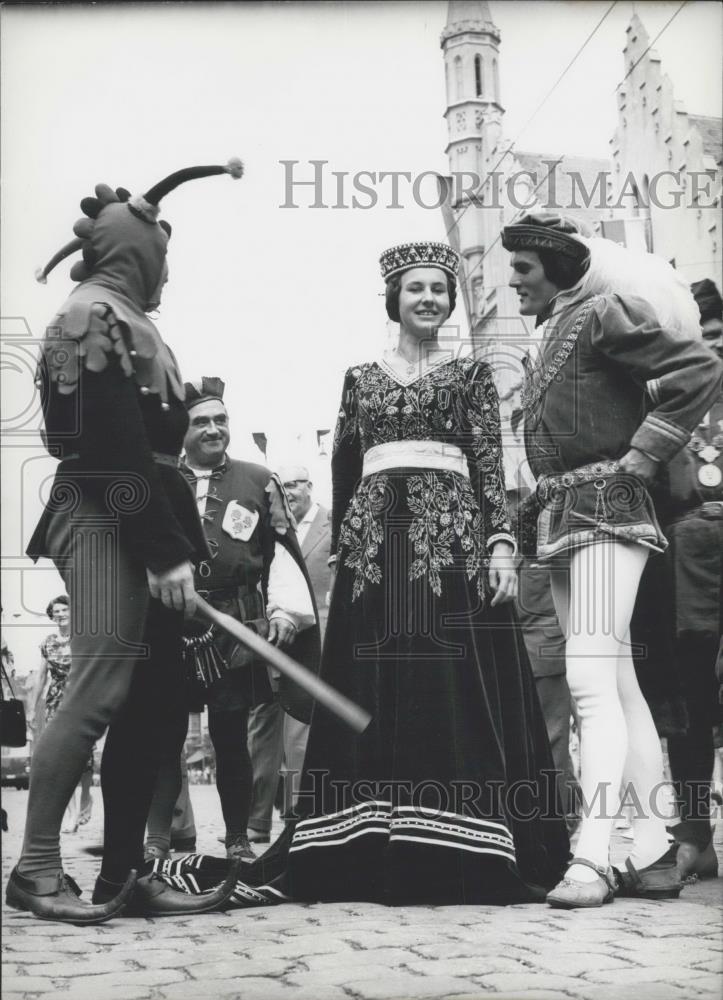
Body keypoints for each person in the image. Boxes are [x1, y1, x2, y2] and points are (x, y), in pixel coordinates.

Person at [153, 240, 570, 907]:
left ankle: (458, 833)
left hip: (449, 546)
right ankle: (365, 833)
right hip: (374, 556)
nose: (429, 298)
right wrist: (346, 551)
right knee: (378, 686)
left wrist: (498, 542)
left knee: (446, 682)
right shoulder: (359, 378)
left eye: (440, 288)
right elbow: (345, 471)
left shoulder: (469, 376)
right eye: (416, 289)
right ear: (394, 299)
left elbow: (489, 465)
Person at [6, 161, 245, 923]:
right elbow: (106, 446)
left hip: (145, 520)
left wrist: (169, 540)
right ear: (135, 254)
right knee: (101, 689)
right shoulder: (86, 314)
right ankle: (36, 869)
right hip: (108, 515)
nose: (167, 274)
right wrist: (162, 548)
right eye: (160, 259)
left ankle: (123, 874)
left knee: (154, 704)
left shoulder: (130, 318)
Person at [502, 212, 723, 908]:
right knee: (617, 682)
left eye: (523, 268)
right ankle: (656, 848)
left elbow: (696, 368)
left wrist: (642, 454)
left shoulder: (602, 311)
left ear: (559, 268)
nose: (512, 281)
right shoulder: (554, 334)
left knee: (589, 680)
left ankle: (592, 856)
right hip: (569, 515)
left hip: (609, 511)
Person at [144, 380, 319, 863]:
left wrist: (284, 610)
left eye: (221, 420)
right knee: (166, 733)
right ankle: (158, 836)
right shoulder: (157, 477)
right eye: (202, 421)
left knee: (230, 734)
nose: (214, 429)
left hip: (234, 627)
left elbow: (282, 552)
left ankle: (238, 838)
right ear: (182, 428)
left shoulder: (259, 480)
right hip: (170, 624)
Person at [657, 278, 723, 880]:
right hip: (685, 562)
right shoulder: (667, 392)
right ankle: (696, 833)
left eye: (717, 340)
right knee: (687, 700)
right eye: (698, 340)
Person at [246, 464, 331, 842]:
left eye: (296, 483)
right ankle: (255, 822)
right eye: (284, 485)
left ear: (310, 485)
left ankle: (300, 821)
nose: (289, 491)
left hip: (315, 643)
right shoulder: (267, 525)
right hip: (267, 640)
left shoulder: (334, 524)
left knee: (301, 734)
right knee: (260, 729)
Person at [31, 595, 93, 833]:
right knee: (59, 759)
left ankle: (87, 797)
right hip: (56, 702)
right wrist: (30, 708)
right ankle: (73, 813)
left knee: (85, 758)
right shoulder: (48, 643)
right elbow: (41, 677)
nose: (60, 614)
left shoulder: (85, 639)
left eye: (64, 610)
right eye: (55, 611)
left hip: (81, 698)